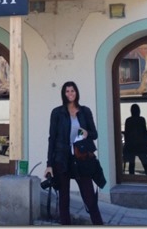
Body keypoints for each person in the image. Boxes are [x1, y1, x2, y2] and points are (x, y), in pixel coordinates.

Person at [44, 81, 103, 225]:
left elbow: (94, 134)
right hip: (62, 158)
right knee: (64, 199)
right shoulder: (57, 113)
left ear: (76, 92)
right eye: (67, 91)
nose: (70, 93)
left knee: (90, 198)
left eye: (72, 90)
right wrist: (49, 164)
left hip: (81, 158)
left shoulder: (85, 111)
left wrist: (86, 133)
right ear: (63, 94)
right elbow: (52, 138)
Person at [123, 103, 147, 175]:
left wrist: (126, 145)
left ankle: (131, 177)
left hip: (131, 145)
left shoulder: (128, 120)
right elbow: (145, 132)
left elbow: (126, 133)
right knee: (144, 161)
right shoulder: (141, 119)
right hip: (141, 144)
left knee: (131, 163)